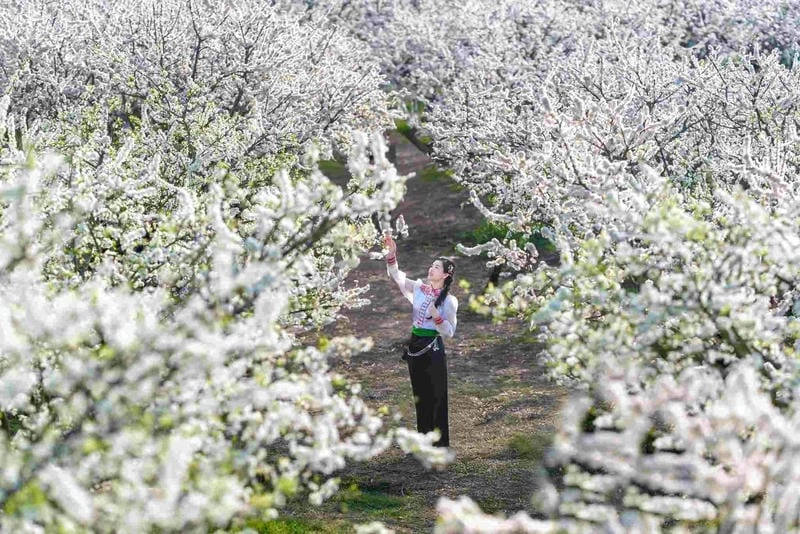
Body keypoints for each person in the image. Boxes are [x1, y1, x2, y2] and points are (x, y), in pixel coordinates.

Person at [383, 233, 458, 448]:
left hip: (433, 348)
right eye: (432, 265)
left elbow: (449, 332)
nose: (431, 269)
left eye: (436, 267)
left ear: (445, 275)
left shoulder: (450, 301)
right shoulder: (419, 289)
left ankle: (440, 445)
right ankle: (423, 441)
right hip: (415, 345)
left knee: (436, 395)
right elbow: (396, 276)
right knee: (420, 395)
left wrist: (437, 317)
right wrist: (392, 254)